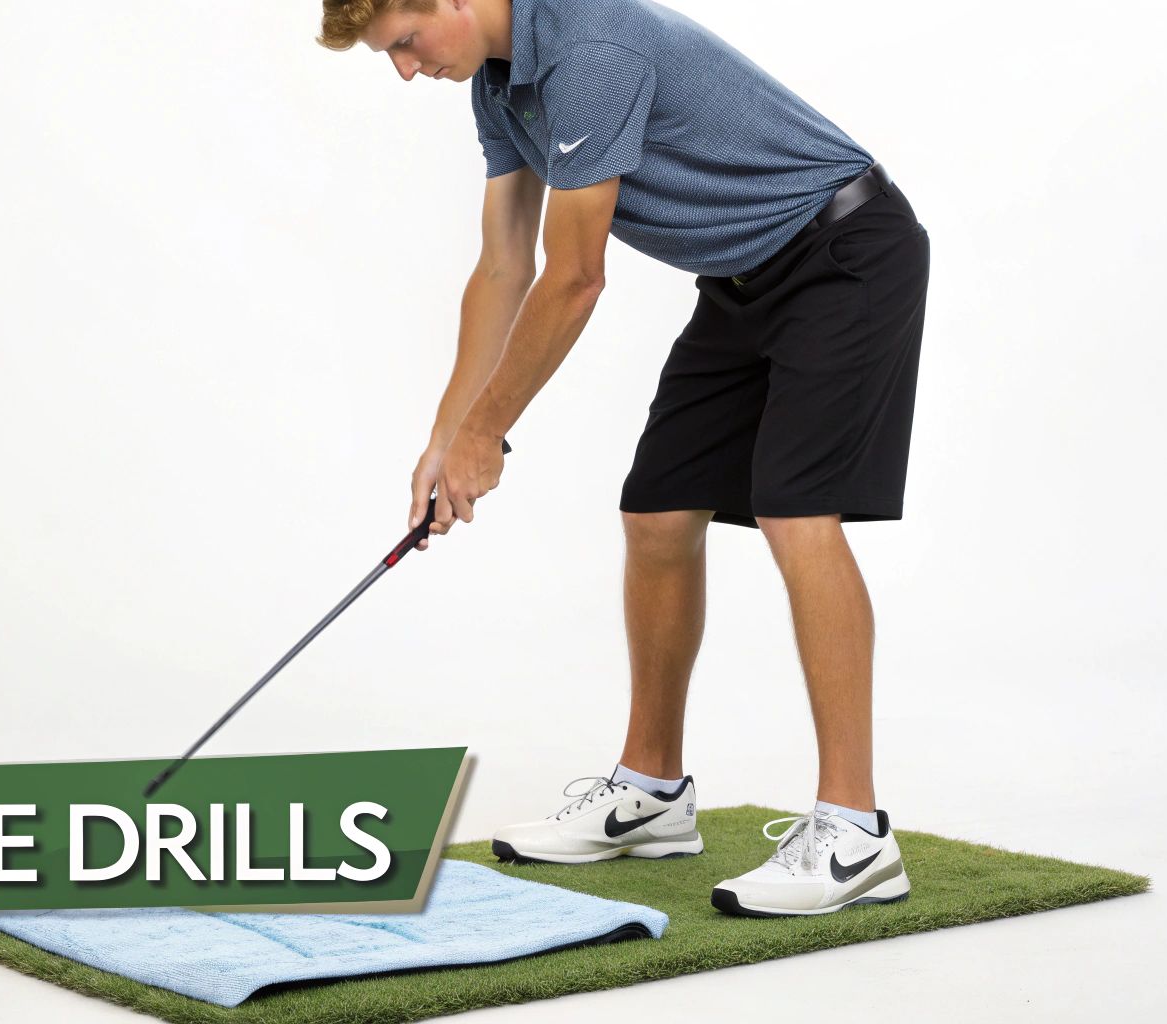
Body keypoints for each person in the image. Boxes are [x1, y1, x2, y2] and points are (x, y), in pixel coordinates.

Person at [317, 0, 930, 916]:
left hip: (845, 252)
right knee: (658, 510)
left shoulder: (589, 51)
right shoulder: (497, 84)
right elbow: (503, 266)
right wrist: (447, 439)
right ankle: (654, 792)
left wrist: (489, 435)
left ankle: (855, 830)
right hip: (742, 281)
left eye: (404, 43)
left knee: (795, 510)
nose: (404, 70)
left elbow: (575, 276)